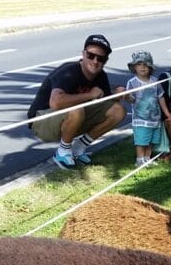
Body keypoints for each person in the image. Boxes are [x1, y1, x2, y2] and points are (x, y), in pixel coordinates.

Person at [27, 34, 126, 171]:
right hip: (41, 120)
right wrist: (90, 95)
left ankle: (78, 148)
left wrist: (118, 94)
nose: (95, 61)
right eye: (91, 55)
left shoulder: (100, 75)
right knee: (77, 109)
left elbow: (104, 99)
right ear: (83, 54)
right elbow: (56, 102)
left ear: (106, 60)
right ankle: (62, 153)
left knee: (118, 111)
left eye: (101, 58)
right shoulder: (69, 72)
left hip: (70, 116)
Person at [124, 51, 164, 168]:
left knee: (151, 140)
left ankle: (147, 157)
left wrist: (165, 113)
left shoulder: (155, 81)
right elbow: (131, 99)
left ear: (150, 67)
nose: (143, 67)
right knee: (141, 140)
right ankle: (139, 159)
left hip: (155, 118)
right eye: (139, 64)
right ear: (134, 67)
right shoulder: (132, 83)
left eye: (146, 65)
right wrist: (127, 97)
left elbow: (160, 97)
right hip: (140, 119)